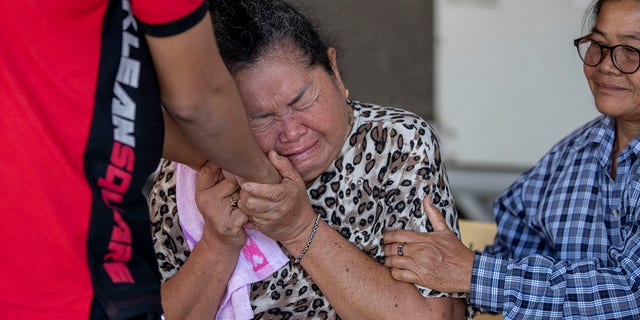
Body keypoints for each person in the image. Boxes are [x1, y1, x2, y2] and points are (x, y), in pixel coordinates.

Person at [148, 0, 469, 318]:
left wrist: (299, 227)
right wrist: (217, 245)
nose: (291, 132)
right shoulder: (194, 179)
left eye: (303, 101)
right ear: (227, 119)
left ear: (335, 71)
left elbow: (436, 315)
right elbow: (144, 311)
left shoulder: (396, 147)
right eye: (259, 117)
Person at [0, 0, 280, 318]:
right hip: (73, 276)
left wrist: (214, 163)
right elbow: (199, 100)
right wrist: (266, 182)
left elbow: (83, 98)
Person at [383, 0, 640, 318]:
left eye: (631, 50)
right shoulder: (575, 154)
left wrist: (472, 274)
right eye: (598, 44)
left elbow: (631, 296)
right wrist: (436, 276)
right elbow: (510, 254)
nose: (605, 64)